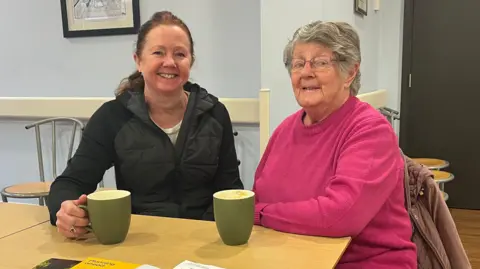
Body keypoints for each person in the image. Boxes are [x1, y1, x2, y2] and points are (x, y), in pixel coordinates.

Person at [48, 11, 244, 239]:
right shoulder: (112, 116)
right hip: (137, 242)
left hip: (204, 242)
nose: (170, 62)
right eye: (158, 52)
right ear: (138, 61)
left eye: (180, 54)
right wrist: (64, 210)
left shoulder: (215, 114)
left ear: (191, 61)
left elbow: (231, 189)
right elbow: (70, 182)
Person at [252, 21, 417, 268]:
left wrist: (260, 215)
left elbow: (340, 215)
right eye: (298, 63)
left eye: (320, 62)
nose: (306, 72)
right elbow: (259, 195)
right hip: (290, 259)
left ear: (349, 72)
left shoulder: (370, 130)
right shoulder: (284, 130)